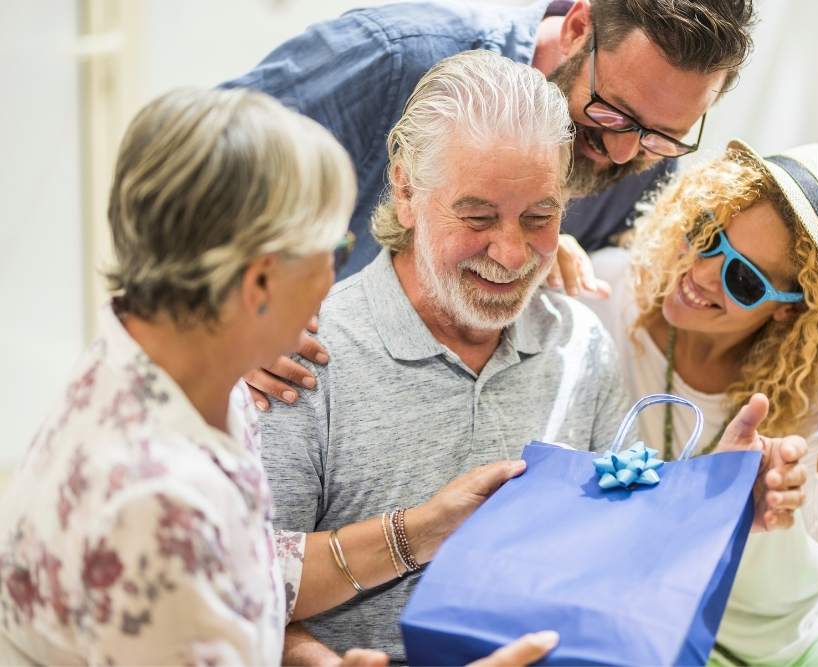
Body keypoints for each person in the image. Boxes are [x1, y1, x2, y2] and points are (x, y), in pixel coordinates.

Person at [259, 49, 810, 662]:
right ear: (406, 190)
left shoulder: (579, 344)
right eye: (477, 215)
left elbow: (620, 559)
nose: (513, 253)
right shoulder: (298, 357)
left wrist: (714, 505)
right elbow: (231, 584)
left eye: (540, 216)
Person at [0, 87, 559, 667]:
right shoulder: (156, 503)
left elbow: (250, 565)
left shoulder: (166, 375)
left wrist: (420, 531)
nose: (337, 282)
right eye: (335, 251)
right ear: (258, 284)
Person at [223, 0, 818, 418]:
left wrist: (814, 351)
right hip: (260, 410)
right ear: (577, 26)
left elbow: (663, 316)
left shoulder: (640, 153)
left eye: (663, 135)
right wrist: (234, 318)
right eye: (612, 112)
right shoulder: (397, 56)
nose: (624, 150)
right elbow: (187, 166)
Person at [582, 139, 818, 665]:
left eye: (744, 278)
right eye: (709, 235)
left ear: (788, 308)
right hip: (664, 618)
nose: (705, 272)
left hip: (814, 628)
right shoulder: (604, 296)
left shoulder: (810, 380)